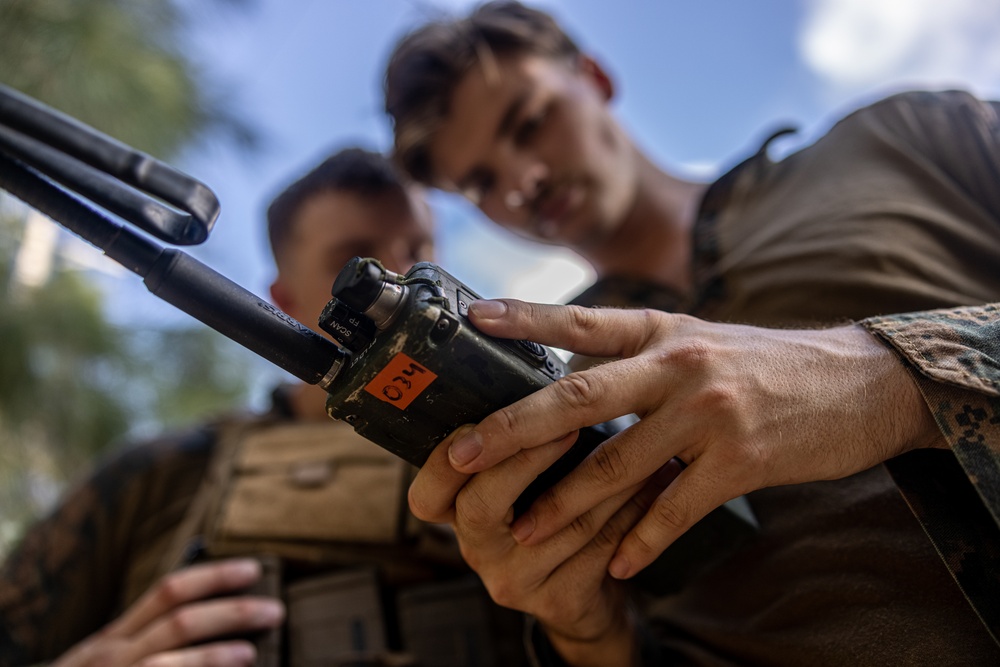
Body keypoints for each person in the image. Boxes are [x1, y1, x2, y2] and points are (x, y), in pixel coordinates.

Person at [383, 2, 1000, 665]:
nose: (523, 184)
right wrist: (585, 632)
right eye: (481, 184)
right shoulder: (556, 401)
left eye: (531, 123)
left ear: (593, 74)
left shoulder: (907, 139)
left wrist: (888, 379)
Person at [0, 147, 526, 666]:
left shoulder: (516, 444)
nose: (399, 282)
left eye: (418, 251)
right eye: (357, 265)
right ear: (286, 300)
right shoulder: (166, 472)